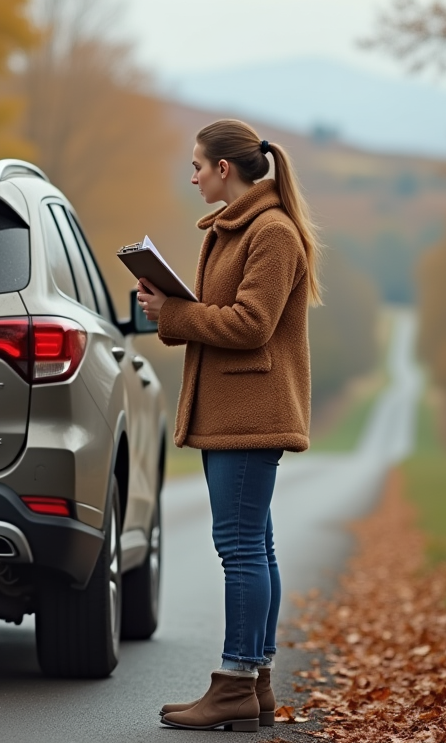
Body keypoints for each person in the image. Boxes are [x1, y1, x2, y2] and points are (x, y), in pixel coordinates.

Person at [137, 119, 321, 733]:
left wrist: (176, 313)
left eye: (197, 165)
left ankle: (236, 681)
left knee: (240, 547)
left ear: (225, 169)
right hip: (236, 410)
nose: (191, 176)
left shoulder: (271, 233)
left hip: (251, 413)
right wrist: (172, 305)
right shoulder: (238, 227)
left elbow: (250, 325)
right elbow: (230, 313)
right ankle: (256, 684)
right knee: (254, 545)